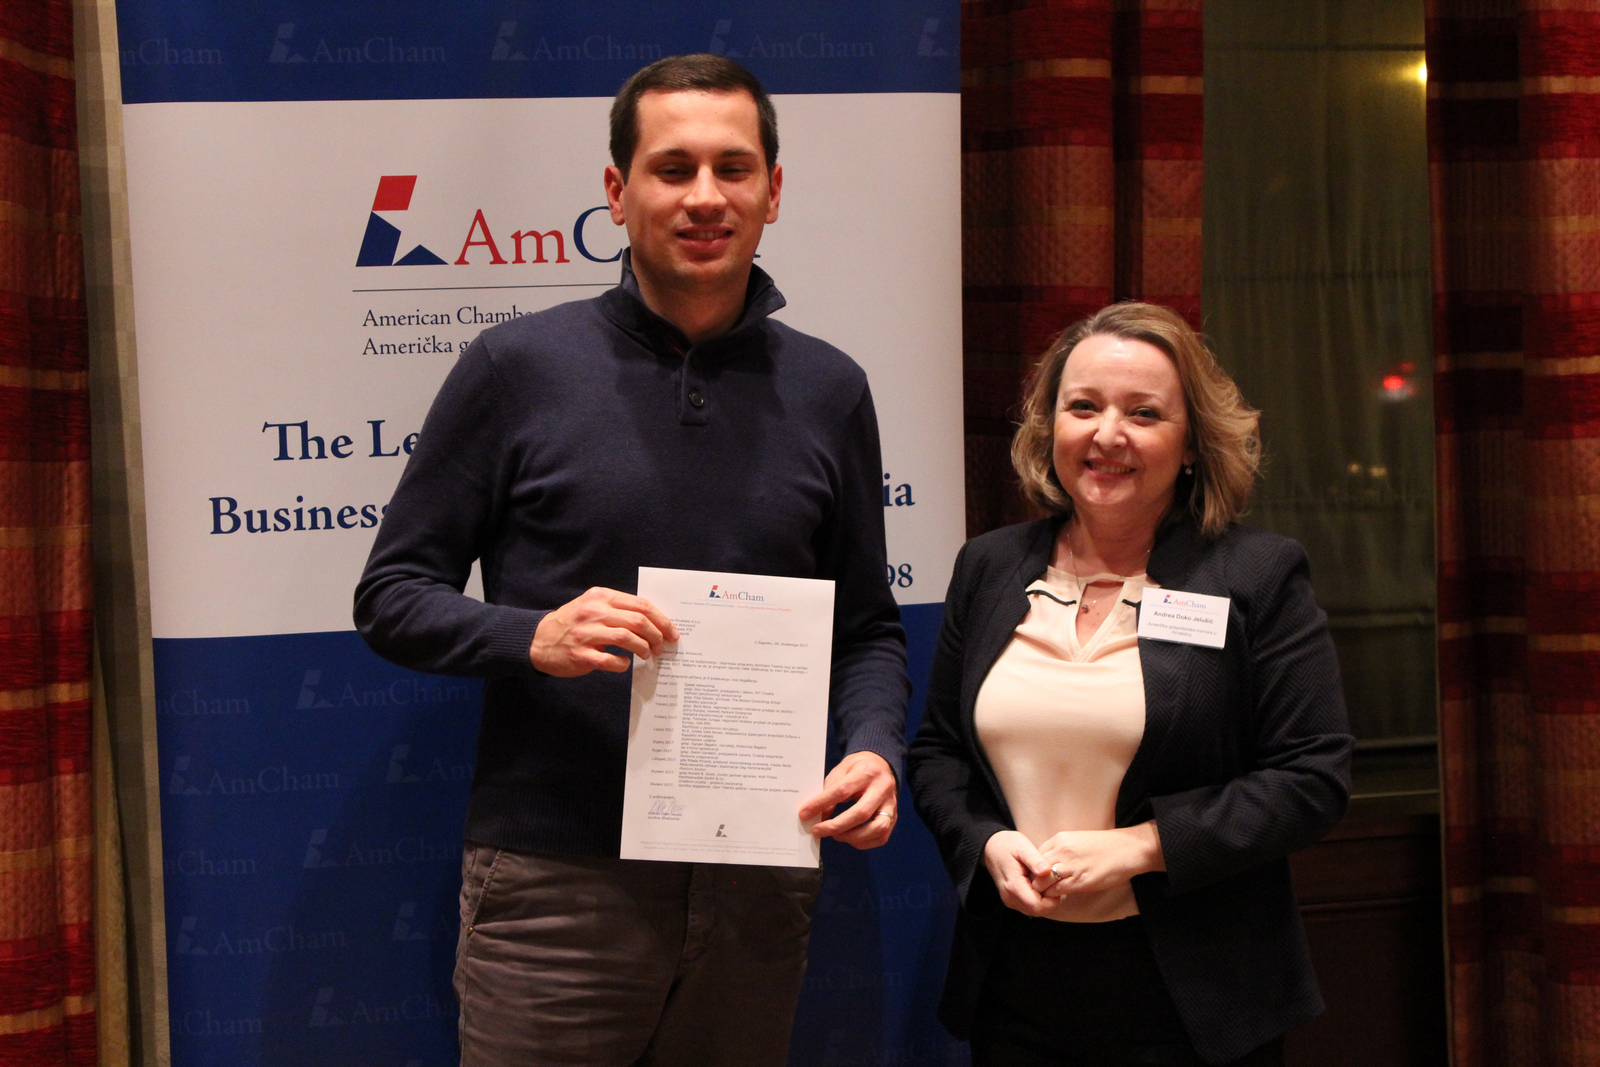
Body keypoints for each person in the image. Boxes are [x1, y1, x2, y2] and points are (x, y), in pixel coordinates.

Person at [354, 54, 908, 1067]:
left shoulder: (831, 389)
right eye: (672, 168)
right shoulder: (515, 368)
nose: (705, 196)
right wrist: (534, 634)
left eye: (733, 168)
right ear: (617, 192)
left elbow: (867, 625)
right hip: (556, 886)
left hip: (757, 879)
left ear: (773, 191)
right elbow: (391, 596)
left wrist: (875, 747)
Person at [907, 303, 1353, 1066]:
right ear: (1050, 426)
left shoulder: (1255, 575)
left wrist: (1141, 848)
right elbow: (938, 753)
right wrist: (986, 843)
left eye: (1143, 413)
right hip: (1016, 981)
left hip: (1195, 992)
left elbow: (1313, 777)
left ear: (1191, 443)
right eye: (1083, 406)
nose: (1107, 434)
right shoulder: (989, 566)